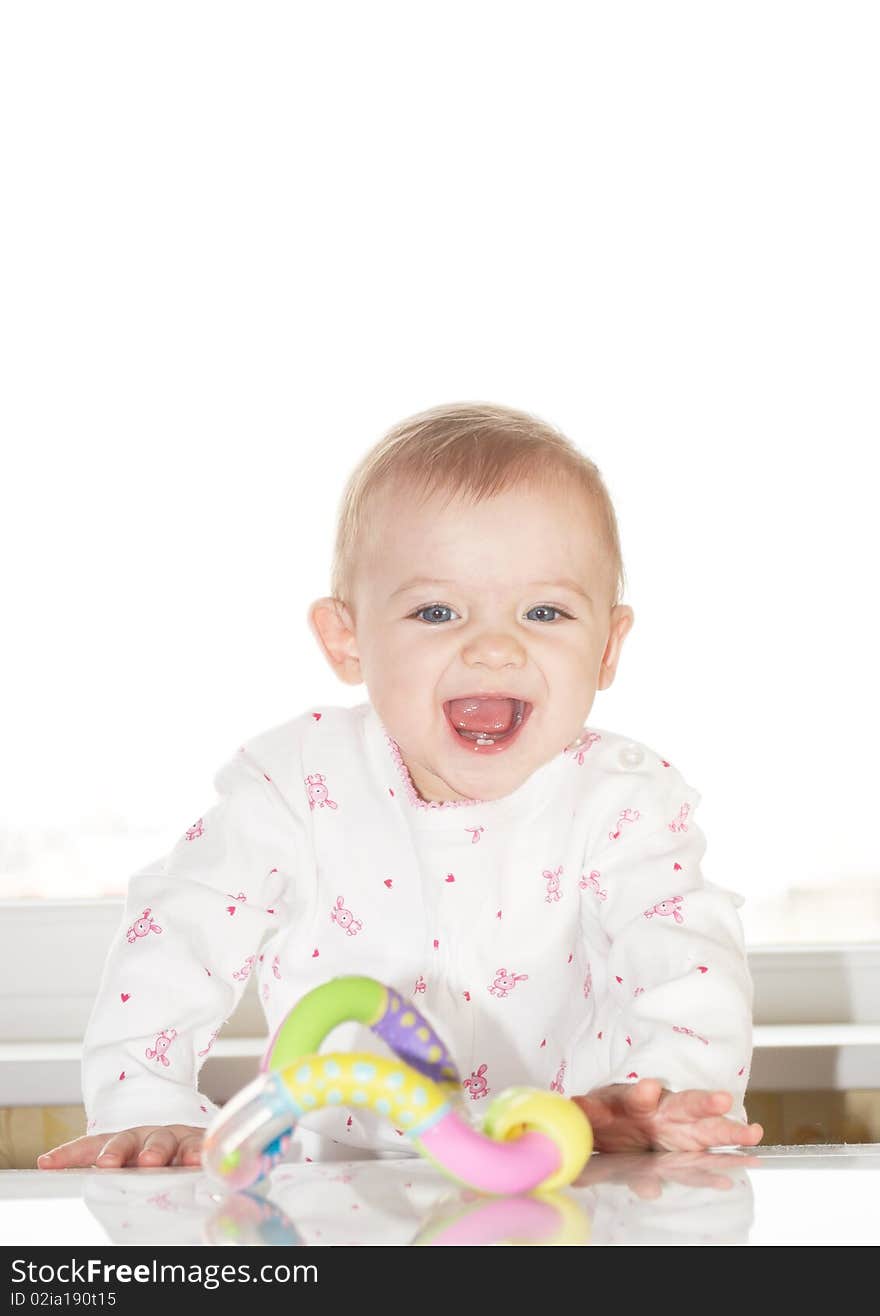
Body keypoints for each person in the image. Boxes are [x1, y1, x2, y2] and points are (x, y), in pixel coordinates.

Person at [38, 401, 762, 1171]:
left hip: (567, 1173)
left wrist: (661, 1099)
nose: (493, 646)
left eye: (544, 611)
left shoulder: (626, 804)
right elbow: (178, 937)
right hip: (339, 1193)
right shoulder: (296, 785)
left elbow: (689, 967)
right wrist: (146, 1103)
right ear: (347, 638)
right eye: (437, 610)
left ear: (608, 647)